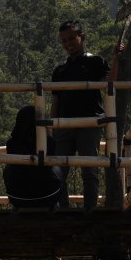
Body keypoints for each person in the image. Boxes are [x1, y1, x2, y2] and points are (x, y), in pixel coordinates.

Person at [50, 19, 115, 210]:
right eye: (64, 41)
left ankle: (90, 212)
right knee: (58, 171)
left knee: (90, 170)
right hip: (64, 125)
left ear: (82, 37)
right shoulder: (60, 70)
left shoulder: (95, 62)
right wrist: (52, 127)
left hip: (90, 124)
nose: (68, 44)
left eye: (72, 38)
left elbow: (109, 84)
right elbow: (56, 101)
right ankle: (64, 209)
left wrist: (117, 59)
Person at [2, 105, 63, 210]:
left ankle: (17, 208)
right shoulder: (47, 142)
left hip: (18, 197)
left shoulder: (12, 143)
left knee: (8, 168)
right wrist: (48, 134)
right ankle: (56, 206)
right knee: (56, 167)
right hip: (47, 196)